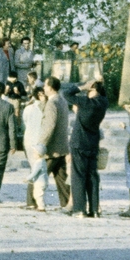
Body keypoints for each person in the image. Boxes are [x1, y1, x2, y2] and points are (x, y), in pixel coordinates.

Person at [67, 80, 107, 218]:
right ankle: (94, 209)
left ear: (92, 90)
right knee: (92, 176)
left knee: (78, 176)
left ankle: (79, 209)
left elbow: (66, 93)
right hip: (93, 142)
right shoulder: (103, 103)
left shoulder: (85, 102)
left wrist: (81, 87)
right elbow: (103, 95)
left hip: (79, 142)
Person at [43, 75, 72, 208]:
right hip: (62, 145)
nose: (43, 87)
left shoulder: (52, 103)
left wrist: (41, 144)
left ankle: (32, 202)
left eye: (45, 85)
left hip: (52, 147)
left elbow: (49, 126)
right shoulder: (63, 101)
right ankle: (66, 202)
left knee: (39, 174)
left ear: (50, 87)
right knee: (61, 178)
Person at [22, 87, 50, 210]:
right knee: (38, 169)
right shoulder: (46, 108)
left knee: (33, 169)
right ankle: (35, 200)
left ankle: (31, 200)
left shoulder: (28, 108)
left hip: (28, 140)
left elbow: (25, 122)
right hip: (39, 141)